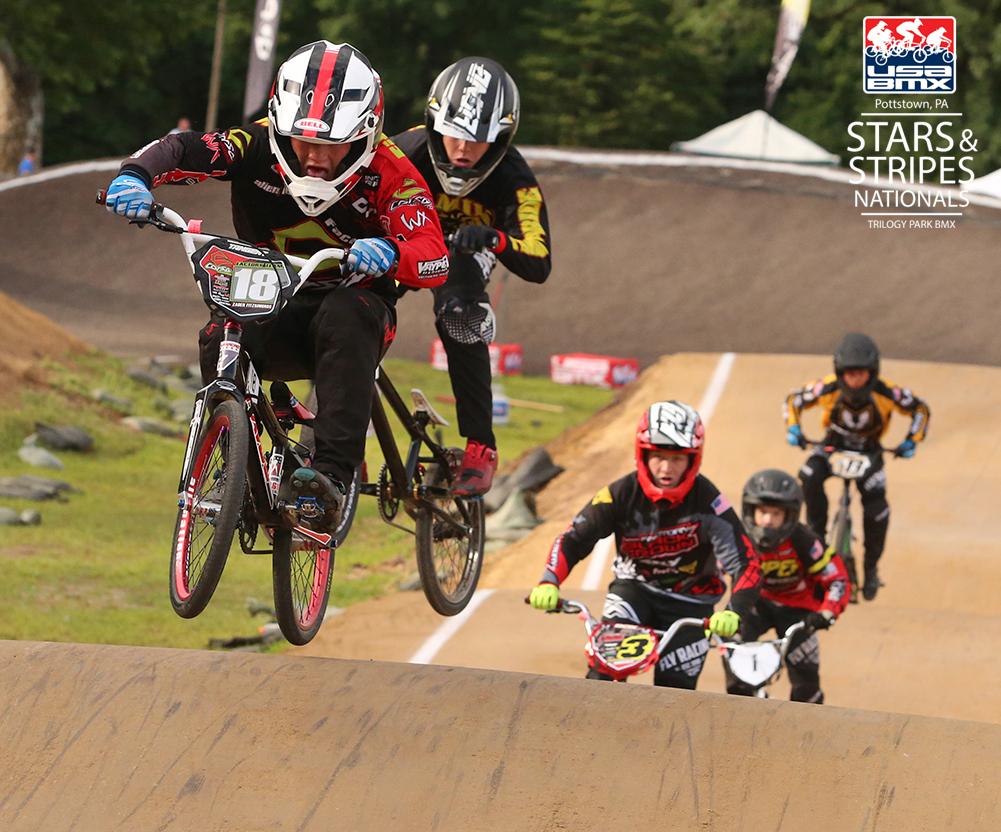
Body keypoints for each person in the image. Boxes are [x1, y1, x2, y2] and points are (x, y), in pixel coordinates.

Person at [104, 41, 448, 531]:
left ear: (365, 135)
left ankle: (330, 478)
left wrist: (394, 253)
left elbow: (435, 256)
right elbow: (184, 148)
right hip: (269, 295)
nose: (315, 157)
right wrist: (135, 176)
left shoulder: (391, 172)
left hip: (354, 310)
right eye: (302, 141)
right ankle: (234, 470)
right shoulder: (256, 143)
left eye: (333, 145)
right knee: (217, 335)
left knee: (347, 312)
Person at [392, 57, 552, 497]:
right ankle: (330, 434)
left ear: (500, 139)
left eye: (478, 140)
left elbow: (539, 260)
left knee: (461, 313)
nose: (463, 149)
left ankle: (481, 446)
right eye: (454, 134)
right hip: (404, 242)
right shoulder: (404, 151)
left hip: (463, 256)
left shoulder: (515, 179)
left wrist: (495, 239)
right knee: (350, 306)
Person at [528, 401, 761, 690]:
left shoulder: (709, 501)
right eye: (658, 456)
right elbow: (574, 537)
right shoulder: (619, 494)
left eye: (677, 458)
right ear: (643, 454)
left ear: (693, 459)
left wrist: (734, 611)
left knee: (675, 693)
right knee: (604, 674)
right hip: (634, 591)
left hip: (692, 601)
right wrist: (549, 580)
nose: (666, 468)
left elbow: (746, 562)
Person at [784, 333, 930, 600]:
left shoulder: (887, 392)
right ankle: (817, 540)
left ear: (872, 372)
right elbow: (793, 400)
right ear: (840, 372)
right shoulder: (827, 387)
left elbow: (920, 409)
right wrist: (793, 428)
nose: (855, 380)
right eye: (849, 374)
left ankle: (871, 566)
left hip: (870, 452)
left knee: (877, 509)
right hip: (831, 447)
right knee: (808, 477)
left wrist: (912, 440)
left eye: (861, 374)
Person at [726, 468, 849, 704]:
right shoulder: (738, 539)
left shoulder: (804, 540)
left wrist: (827, 612)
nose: (768, 520)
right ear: (750, 511)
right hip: (755, 604)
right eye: (763, 512)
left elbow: (838, 579)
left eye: (776, 513)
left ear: (790, 515)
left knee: (807, 690)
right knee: (735, 660)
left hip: (799, 611)